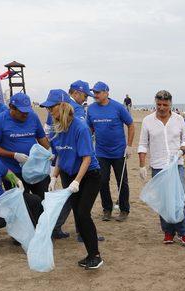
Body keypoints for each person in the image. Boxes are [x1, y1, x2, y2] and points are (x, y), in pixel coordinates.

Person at [42, 90, 104, 269]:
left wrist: (77, 181)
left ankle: (96, 255)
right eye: (47, 108)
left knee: (84, 214)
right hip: (69, 175)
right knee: (78, 215)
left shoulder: (80, 127)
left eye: (51, 107)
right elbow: (60, 155)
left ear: (62, 106)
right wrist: (54, 177)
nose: (49, 111)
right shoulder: (56, 128)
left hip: (89, 175)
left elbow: (86, 158)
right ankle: (90, 254)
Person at [138, 90, 185, 246]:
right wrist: (142, 165)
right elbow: (142, 144)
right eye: (159, 104)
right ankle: (168, 232)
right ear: (155, 103)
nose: (161, 108)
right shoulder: (148, 121)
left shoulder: (179, 119)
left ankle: (183, 233)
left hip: (176, 165)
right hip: (158, 165)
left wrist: (182, 150)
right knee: (163, 200)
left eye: (165, 105)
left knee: (180, 199)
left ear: (170, 104)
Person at [52, 80, 96, 239]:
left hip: (65, 160)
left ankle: (80, 231)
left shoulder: (59, 110)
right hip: (72, 162)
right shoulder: (71, 110)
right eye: (85, 95)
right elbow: (78, 137)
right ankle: (77, 231)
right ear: (76, 92)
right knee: (73, 200)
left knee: (74, 200)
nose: (85, 99)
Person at [86, 81, 135, 222]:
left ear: (106, 92)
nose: (95, 95)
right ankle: (107, 209)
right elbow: (89, 129)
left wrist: (129, 146)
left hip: (119, 152)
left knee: (122, 182)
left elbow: (131, 125)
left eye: (98, 92)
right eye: (94, 92)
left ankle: (124, 209)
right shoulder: (91, 109)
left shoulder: (118, 107)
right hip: (101, 152)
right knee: (102, 181)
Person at [0, 93, 50, 200]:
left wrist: (49, 152)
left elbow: (43, 141)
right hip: (12, 171)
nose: (25, 115)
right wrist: (14, 155)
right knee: (19, 203)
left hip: (34, 168)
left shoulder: (33, 117)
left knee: (43, 200)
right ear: (12, 107)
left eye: (27, 111)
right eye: (22, 112)